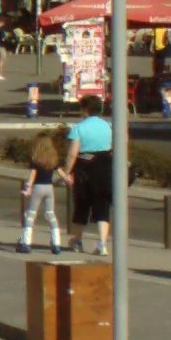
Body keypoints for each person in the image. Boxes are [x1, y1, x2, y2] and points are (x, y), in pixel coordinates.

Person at [66, 105, 119, 255]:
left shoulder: (79, 127)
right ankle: (102, 244)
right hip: (104, 167)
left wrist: (68, 172)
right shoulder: (108, 126)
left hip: (84, 167)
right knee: (102, 206)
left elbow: (72, 153)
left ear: (85, 110)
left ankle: (77, 242)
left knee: (82, 204)